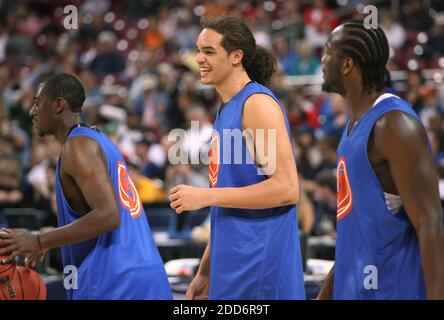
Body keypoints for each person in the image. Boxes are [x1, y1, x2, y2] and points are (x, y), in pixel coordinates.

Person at [0, 74, 172, 300]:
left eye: (37, 103)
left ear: (58, 105)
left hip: (116, 282)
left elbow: (108, 216)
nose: (32, 111)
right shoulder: (96, 139)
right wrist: (46, 239)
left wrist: (39, 241)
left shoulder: (78, 147)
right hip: (139, 273)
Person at [168, 16, 305, 300]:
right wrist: (205, 271)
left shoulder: (256, 105)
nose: (199, 59)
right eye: (198, 50)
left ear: (236, 57)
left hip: (259, 265)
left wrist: (206, 197)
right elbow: (226, 201)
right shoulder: (225, 109)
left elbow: (286, 189)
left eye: (209, 51)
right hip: (231, 262)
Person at [317, 21, 444, 299]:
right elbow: (357, 233)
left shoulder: (394, 124)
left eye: (328, 52)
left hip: (393, 288)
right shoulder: (353, 125)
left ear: (348, 64)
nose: (322, 59)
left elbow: (430, 223)